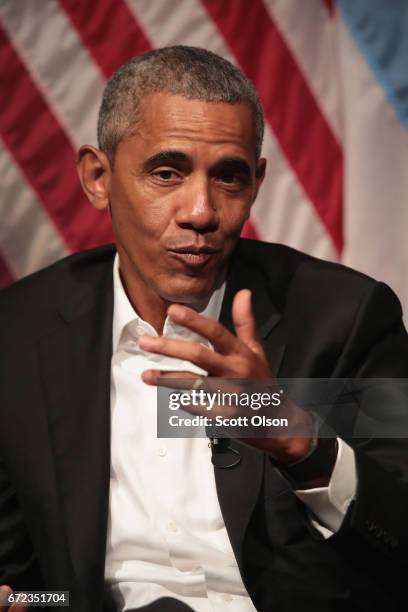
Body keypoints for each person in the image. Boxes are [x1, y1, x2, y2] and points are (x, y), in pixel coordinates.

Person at [0, 46, 407, 612]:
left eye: (229, 177)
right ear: (98, 177)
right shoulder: (20, 333)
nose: (201, 212)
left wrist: (299, 442)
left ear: (257, 184)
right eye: (167, 173)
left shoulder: (343, 318)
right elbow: (35, 589)